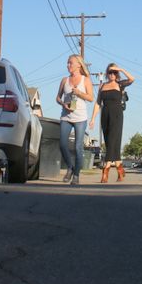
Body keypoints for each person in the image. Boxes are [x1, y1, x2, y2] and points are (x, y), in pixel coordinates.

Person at [91, 63, 135, 183]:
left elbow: (132, 79)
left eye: (114, 72)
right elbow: (98, 103)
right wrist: (93, 118)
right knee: (111, 144)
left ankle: (106, 170)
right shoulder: (102, 86)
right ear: (107, 73)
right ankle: (120, 170)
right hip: (105, 115)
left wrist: (120, 68)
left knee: (112, 141)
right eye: (110, 72)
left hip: (117, 115)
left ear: (117, 73)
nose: (112, 74)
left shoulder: (120, 84)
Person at [57, 54, 95, 185]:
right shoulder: (64, 80)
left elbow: (91, 98)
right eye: (67, 63)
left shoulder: (86, 80)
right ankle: (70, 167)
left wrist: (79, 93)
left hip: (80, 118)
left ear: (79, 65)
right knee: (62, 144)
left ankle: (76, 175)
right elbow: (58, 98)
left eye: (71, 63)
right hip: (66, 116)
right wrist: (63, 104)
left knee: (78, 147)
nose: (68, 65)